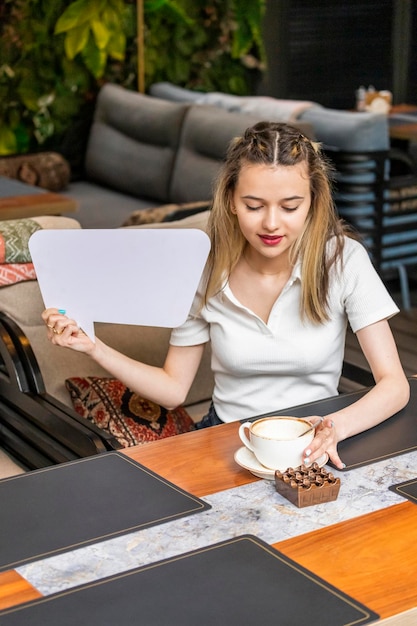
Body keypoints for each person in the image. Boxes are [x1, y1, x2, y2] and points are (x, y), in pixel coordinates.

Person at [42, 121, 409, 470]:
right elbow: (173, 389)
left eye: (290, 206)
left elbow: (394, 385)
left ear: (312, 202)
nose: (270, 223)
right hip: (225, 438)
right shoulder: (204, 269)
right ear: (231, 200)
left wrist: (336, 427)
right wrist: (94, 346)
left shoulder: (344, 260)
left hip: (314, 440)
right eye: (253, 205)